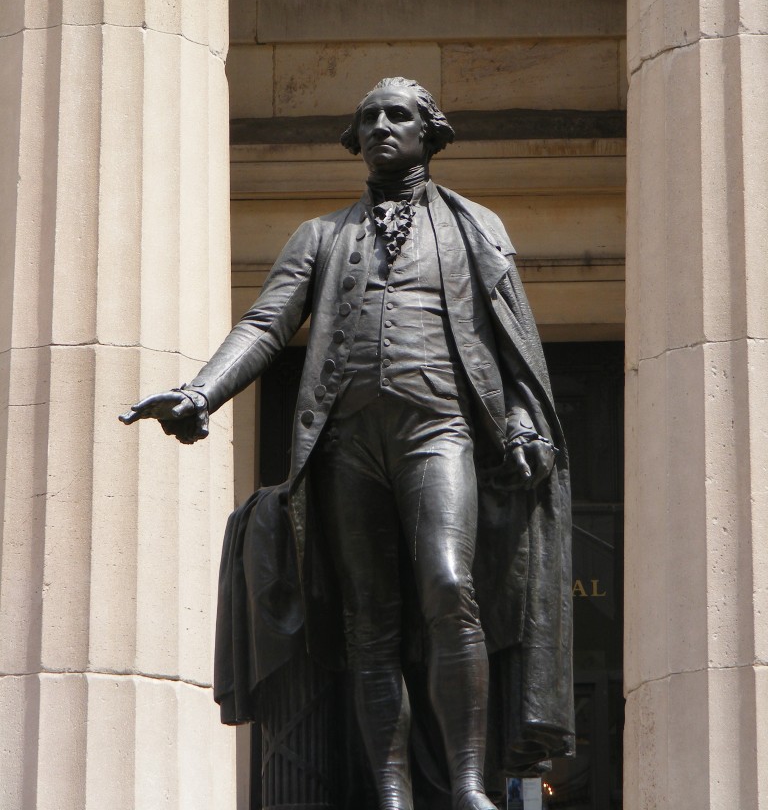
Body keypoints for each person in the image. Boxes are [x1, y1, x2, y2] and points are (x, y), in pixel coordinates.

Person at [121, 78, 574, 810]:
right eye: (367, 118)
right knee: (370, 621)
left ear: (430, 132)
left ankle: (465, 784)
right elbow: (266, 324)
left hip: (439, 429)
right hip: (347, 444)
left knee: (449, 585)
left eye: (397, 115)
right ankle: (390, 792)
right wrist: (202, 392)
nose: (380, 127)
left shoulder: (475, 226)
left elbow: (513, 344)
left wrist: (522, 418)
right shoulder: (322, 235)